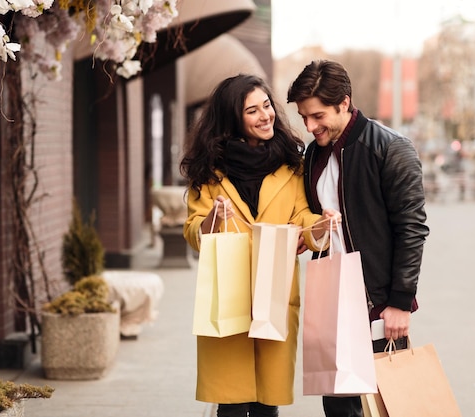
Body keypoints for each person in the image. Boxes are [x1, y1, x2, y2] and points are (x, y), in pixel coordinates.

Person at [180, 74, 340, 417]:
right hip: (230, 295)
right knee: (232, 403)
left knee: (267, 405)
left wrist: (321, 226)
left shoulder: (291, 164)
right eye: (252, 111)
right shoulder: (208, 172)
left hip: (275, 292)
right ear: (232, 120)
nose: (265, 115)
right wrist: (211, 222)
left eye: (266, 105)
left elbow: (303, 217)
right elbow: (193, 229)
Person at [287, 60, 430, 417]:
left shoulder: (390, 148)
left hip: (377, 300)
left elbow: (412, 228)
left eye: (317, 116)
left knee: (388, 404)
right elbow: (319, 218)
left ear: (344, 102)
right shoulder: (313, 154)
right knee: (338, 406)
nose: (309, 126)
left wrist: (399, 301)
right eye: (304, 117)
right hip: (331, 298)